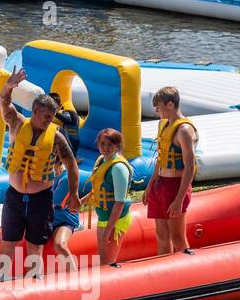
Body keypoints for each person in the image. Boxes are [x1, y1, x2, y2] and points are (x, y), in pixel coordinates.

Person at [0, 70, 81, 279]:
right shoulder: (16, 124)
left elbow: (71, 166)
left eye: (52, 117)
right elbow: (3, 103)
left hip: (40, 200)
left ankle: (34, 283)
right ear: (35, 112)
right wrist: (9, 86)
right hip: (15, 197)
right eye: (46, 116)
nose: (49, 121)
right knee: (7, 244)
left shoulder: (57, 138)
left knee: (35, 246)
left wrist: (74, 194)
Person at [145, 86, 197, 255]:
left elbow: (190, 167)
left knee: (177, 237)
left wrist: (179, 200)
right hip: (159, 184)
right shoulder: (164, 124)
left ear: (170, 105)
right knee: (161, 234)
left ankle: (186, 274)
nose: (156, 111)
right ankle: (164, 271)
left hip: (175, 186)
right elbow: (161, 159)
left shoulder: (184, 131)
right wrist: (150, 185)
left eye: (158, 107)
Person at [84, 128, 133, 266]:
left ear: (117, 146)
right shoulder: (102, 160)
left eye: (110, 145)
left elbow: (119, 202)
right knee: (102, 261)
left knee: (107, 262)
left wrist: (108, 231)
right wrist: (81, 201)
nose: (105, 148)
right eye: (102, 144)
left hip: (116, 220)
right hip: (104, 217)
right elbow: (99, 189)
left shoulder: (118, 168)